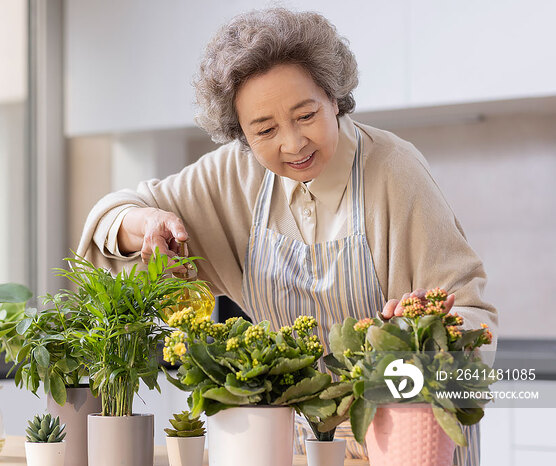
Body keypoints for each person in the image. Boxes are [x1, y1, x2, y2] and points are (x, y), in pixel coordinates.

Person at [77, 8, 497, 465]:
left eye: (306, 114)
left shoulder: (395, 172)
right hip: (290, 448)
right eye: (266, 129)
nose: (294, 143)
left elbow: (472, 320)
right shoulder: (233, 176)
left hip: (401, 445)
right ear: (240, 135)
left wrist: (416, 342)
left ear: (335, 98)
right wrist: (148, 227)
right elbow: (112, 214)